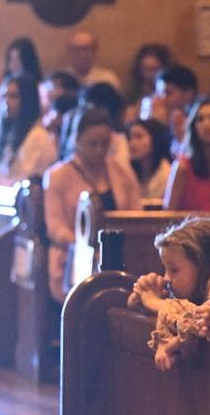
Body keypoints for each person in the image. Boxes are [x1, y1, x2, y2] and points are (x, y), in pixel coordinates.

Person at [43, 107, 143, 302]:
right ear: (76, 140)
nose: (99, 149)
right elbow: (55, 227)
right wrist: (86, 247)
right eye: (92, 143)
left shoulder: (121, 170)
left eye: (104, 143)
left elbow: (135, 215)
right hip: (72, 261)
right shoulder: (57, 176)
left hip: (120, 258)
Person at [126, 217, 210, 365]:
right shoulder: (184, 297)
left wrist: (152, 301)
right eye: (165, 269)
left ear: (206, 267)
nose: (166, 278)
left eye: (173, 270)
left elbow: (195, 318)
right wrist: (138, 298)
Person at [0, 73, 56, 186]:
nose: (6, 102)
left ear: (27, 100)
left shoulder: (37, 136)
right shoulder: (11, 133)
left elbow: (25, 182)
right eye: (4, 96)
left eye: (13, 96)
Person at [154, 64, 199, 156]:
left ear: (188, 94)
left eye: (167, 93)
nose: (160, 99)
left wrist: (178, 132)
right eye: (158, 93)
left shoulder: (199, 120)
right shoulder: (161, 118)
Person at [127, 118, 173, 199]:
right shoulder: (127, 170)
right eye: (131, 137)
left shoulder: (166, 173)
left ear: (155, 140)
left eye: (139, 137)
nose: (132, 143)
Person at [128, 43, 172, 112]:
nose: (149, 75)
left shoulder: (169, 93)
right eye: (146, 69)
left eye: (154, 70)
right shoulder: (133, 93)